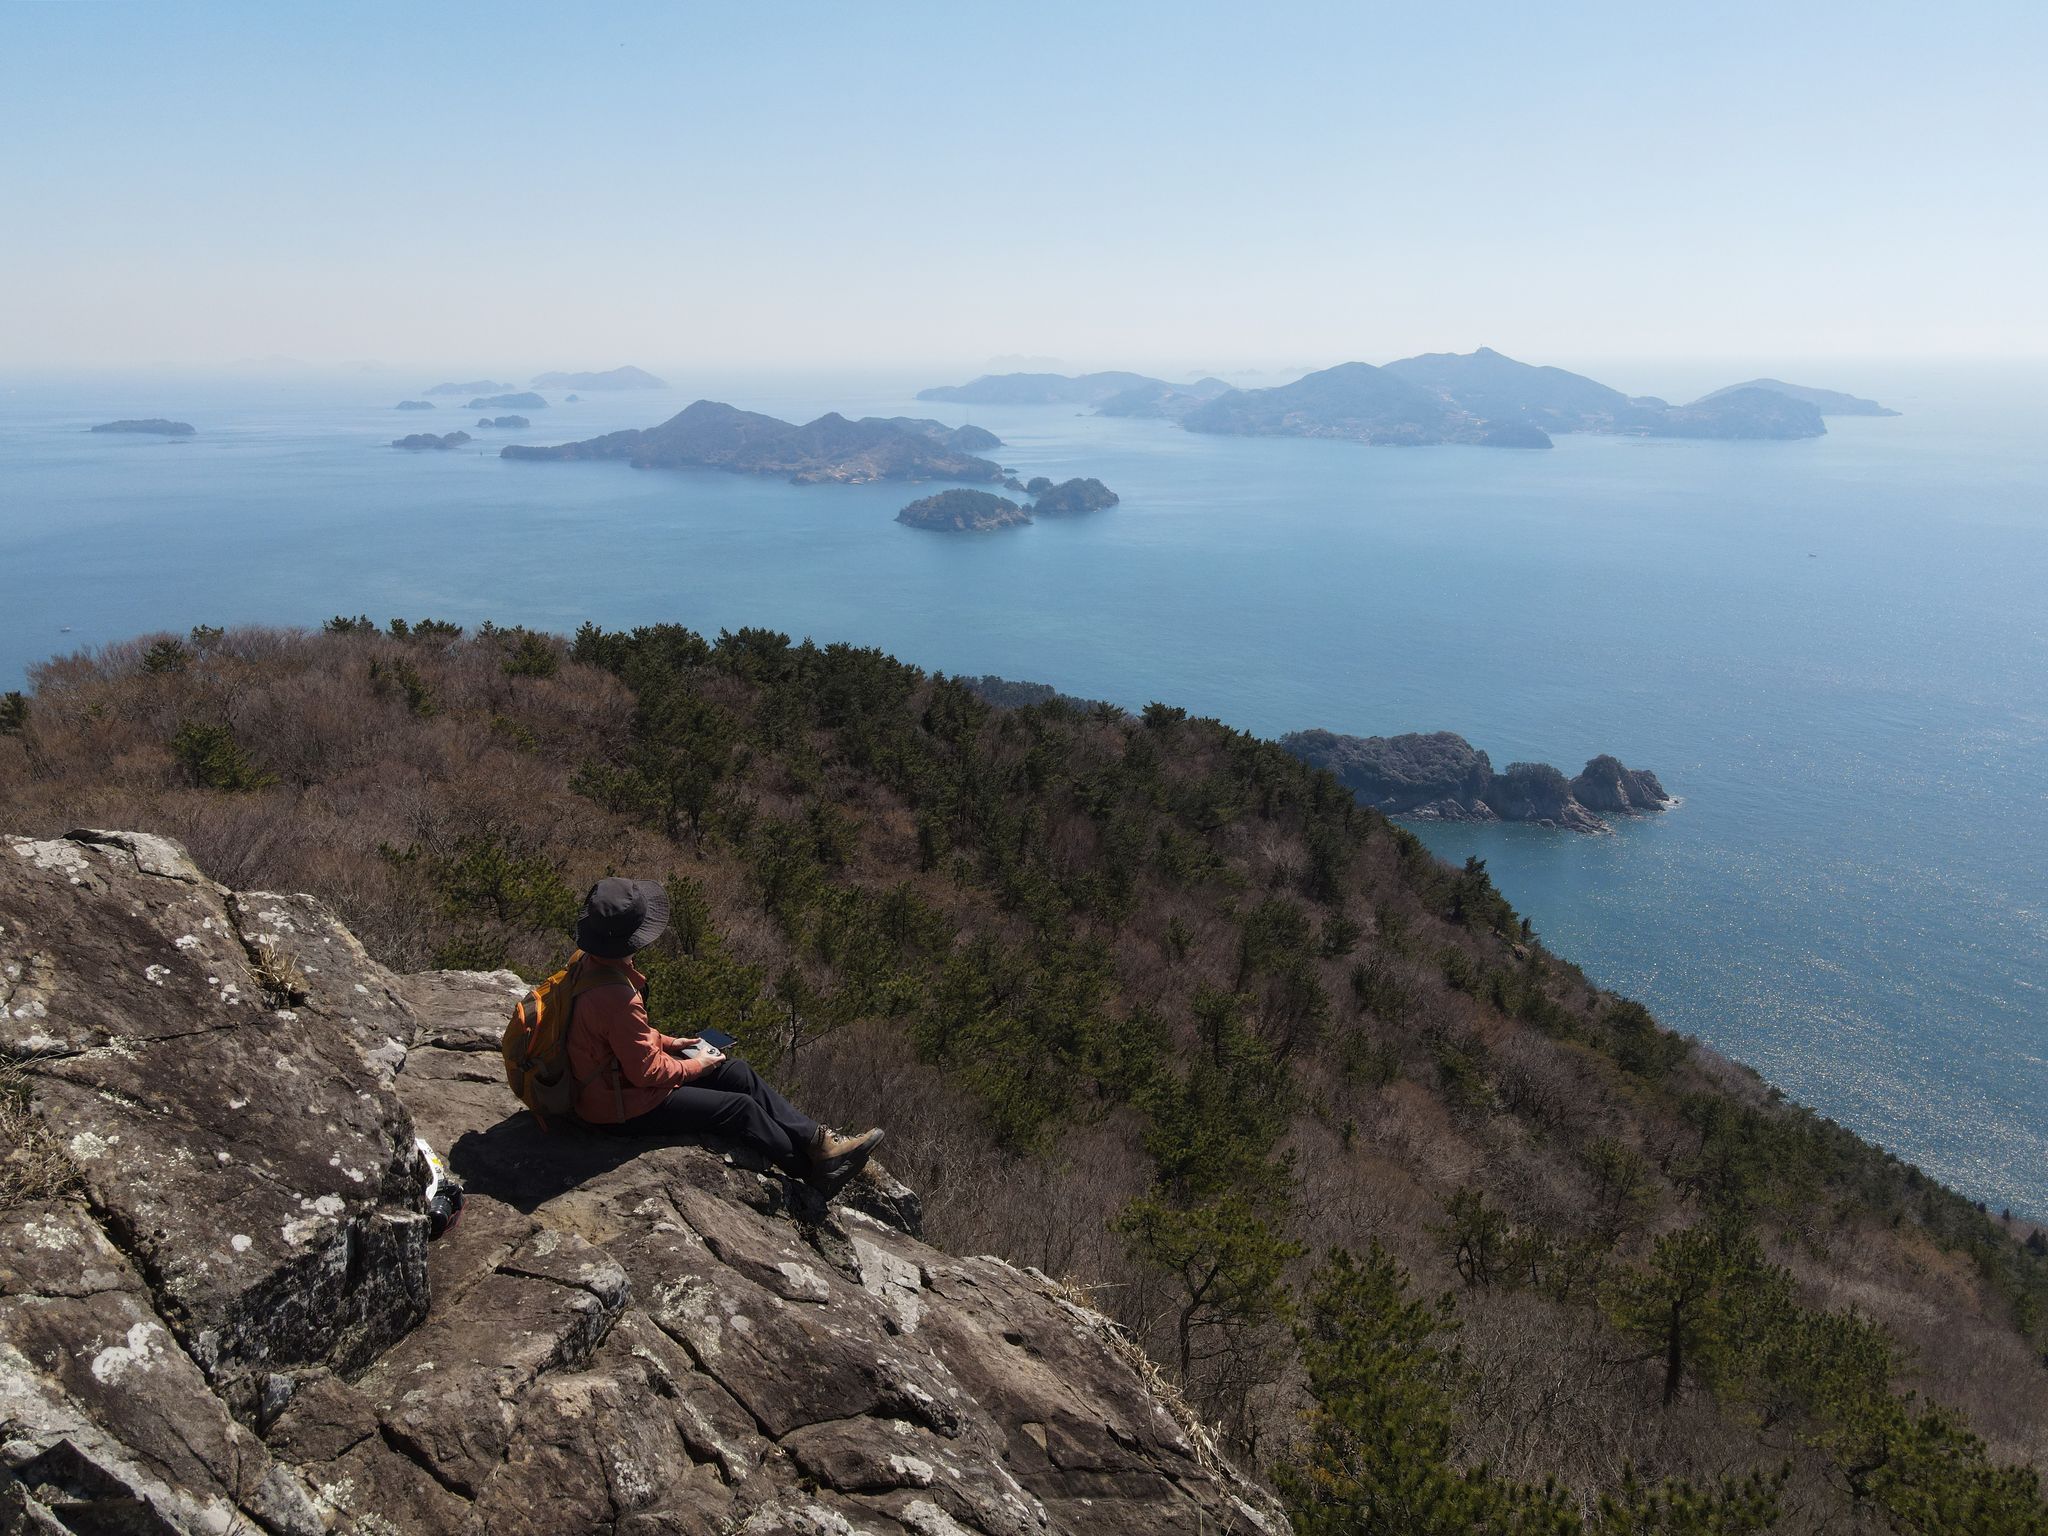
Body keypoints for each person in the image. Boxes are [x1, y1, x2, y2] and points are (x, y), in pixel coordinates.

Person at [563, 877, 883, 1197]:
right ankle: (813, 1170)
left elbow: (615, 1035)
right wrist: (697, 1066)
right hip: (615, 1108)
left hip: (614, 1082)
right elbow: (646, 1072)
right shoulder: (617, 996)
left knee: (736, 1072)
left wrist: (672, 1043)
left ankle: (820, 1142)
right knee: (738, 1108)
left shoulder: (588, 964)